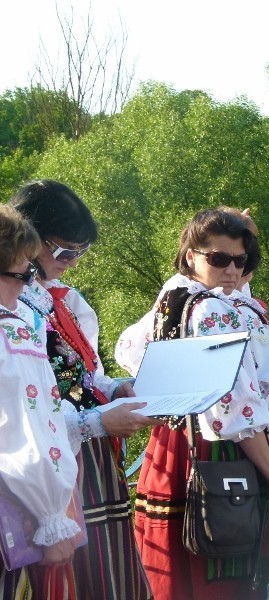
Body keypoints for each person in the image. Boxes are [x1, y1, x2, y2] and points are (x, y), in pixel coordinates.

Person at [131, 208, 269, 600]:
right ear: (191, 255)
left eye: (240, 260)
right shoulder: (213, 311)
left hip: (169, 446)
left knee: (173, 573)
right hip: (215, 453)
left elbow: (132, 352)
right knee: (221, 574)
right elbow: (236, 413)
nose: (231, 270)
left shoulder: (172, 297)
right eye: (218, 258)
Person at [12, 180, 154, 600]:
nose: (72, 263)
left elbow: (87, 374)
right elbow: (26, 408)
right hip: (49, 463)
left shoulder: (64, 302)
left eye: (80, 253)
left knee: (106, 573)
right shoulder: (13, 307)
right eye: (64, 252)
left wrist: (116, 388)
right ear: (27, 238)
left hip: (88, 457)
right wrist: (95, 421)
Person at [0, 204, 82, 599]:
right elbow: (29, 431)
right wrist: (52, 518)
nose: (29, 283)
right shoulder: (10, 334)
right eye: (23, 272)